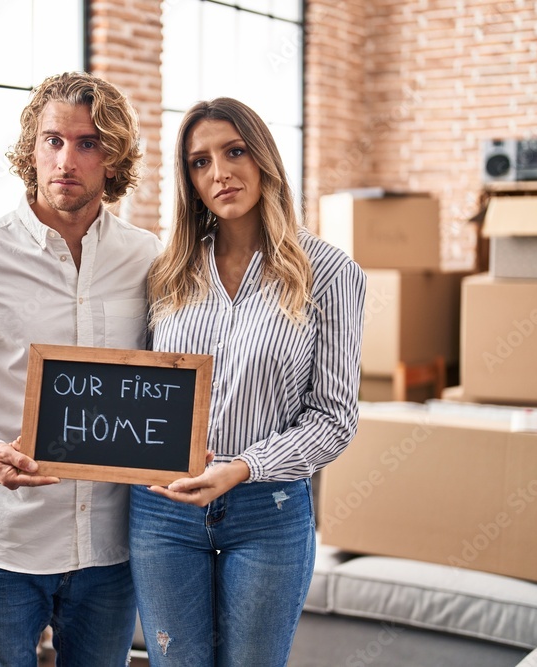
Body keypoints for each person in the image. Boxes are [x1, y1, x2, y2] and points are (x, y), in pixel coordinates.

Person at [0, 72, 162, 666]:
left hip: (109, 546)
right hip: (5, 541)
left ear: (114, 158)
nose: (66, 160)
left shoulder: (148, 259)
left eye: (87, 143)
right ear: (32, 148)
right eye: (52, 140)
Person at [129, 97, 366, 666]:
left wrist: (242, 466)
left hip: (270, 510)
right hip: (164, 511)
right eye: (199, 161)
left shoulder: (330, 274)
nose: (220, 172)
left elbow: (335, 418)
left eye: (234, 151)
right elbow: (139, 392)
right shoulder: (166, 275)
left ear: (264, 159)